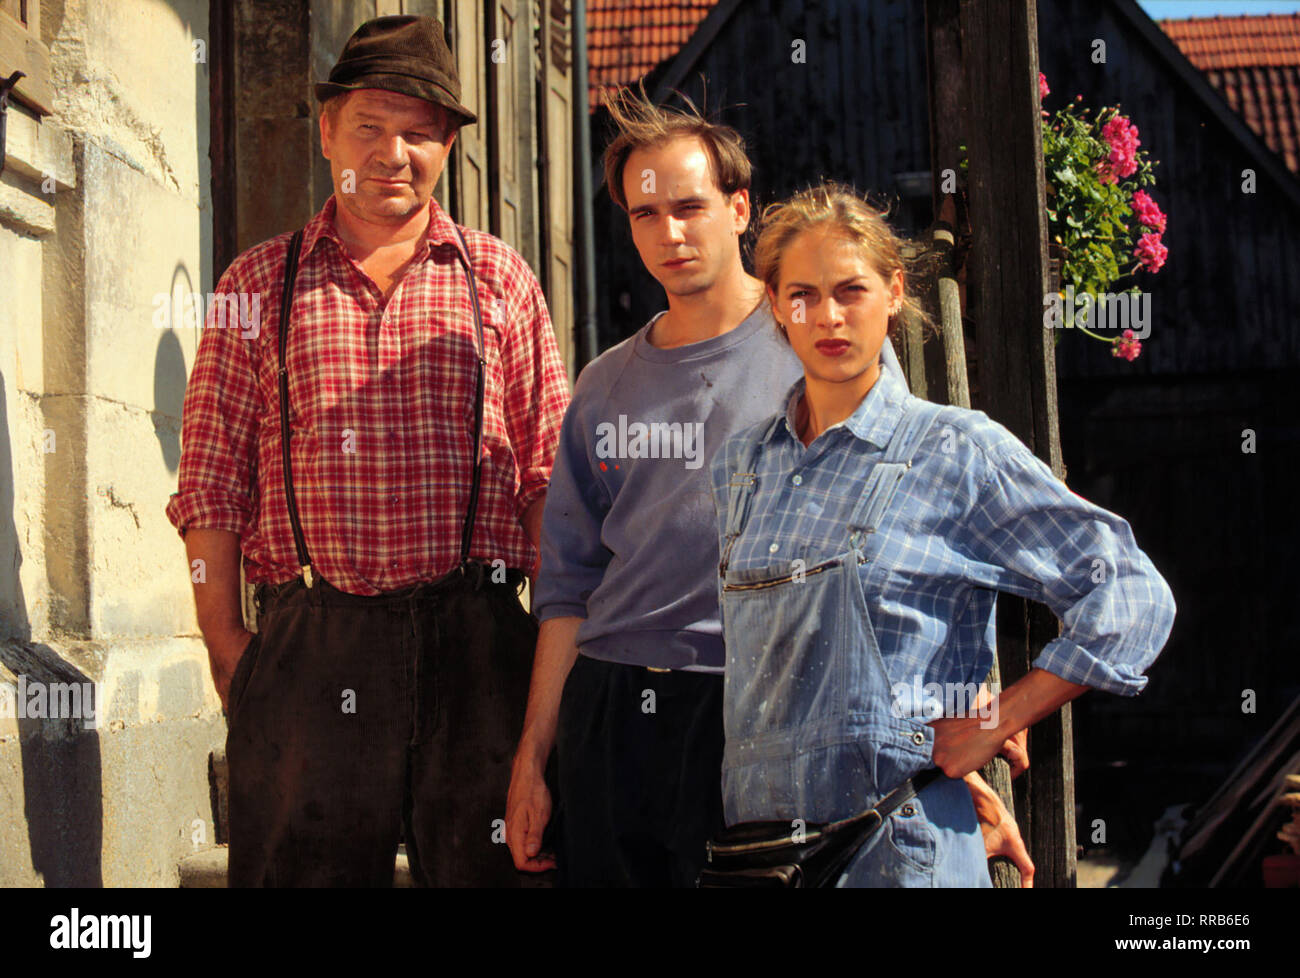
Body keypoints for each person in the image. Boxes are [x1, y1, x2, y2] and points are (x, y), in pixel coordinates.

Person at [506, 89, 1032, 886]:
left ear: (739, 207)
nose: (670, 232)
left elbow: (916, 538)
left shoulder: (818, 344)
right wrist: (532, 758)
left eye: (690, 205)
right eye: (646, 215)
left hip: (766, 711)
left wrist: (968, 705)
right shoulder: (602, 385)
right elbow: (568, 589)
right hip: (610, 718)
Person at [165, 15, 570, 887]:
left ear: (448, 146)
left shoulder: (500, 279)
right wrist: (227, 643)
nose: (395, 152)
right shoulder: (255, 285)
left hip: (478, 641)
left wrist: (546, 654)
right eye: (371, 127)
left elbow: (548, 475)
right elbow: (208, 484)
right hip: (313, 644)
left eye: (420, 131)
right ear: (327, 132)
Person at [710, 181, 1176, 886]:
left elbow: (1132, 593)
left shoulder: (955, 452)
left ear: (895, 291)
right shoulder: (741, 466)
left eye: (852, 290)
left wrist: (997, 718)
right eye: (802, 294)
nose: (828, 316)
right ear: (774, 304)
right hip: (765, 859)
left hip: (899, 856)